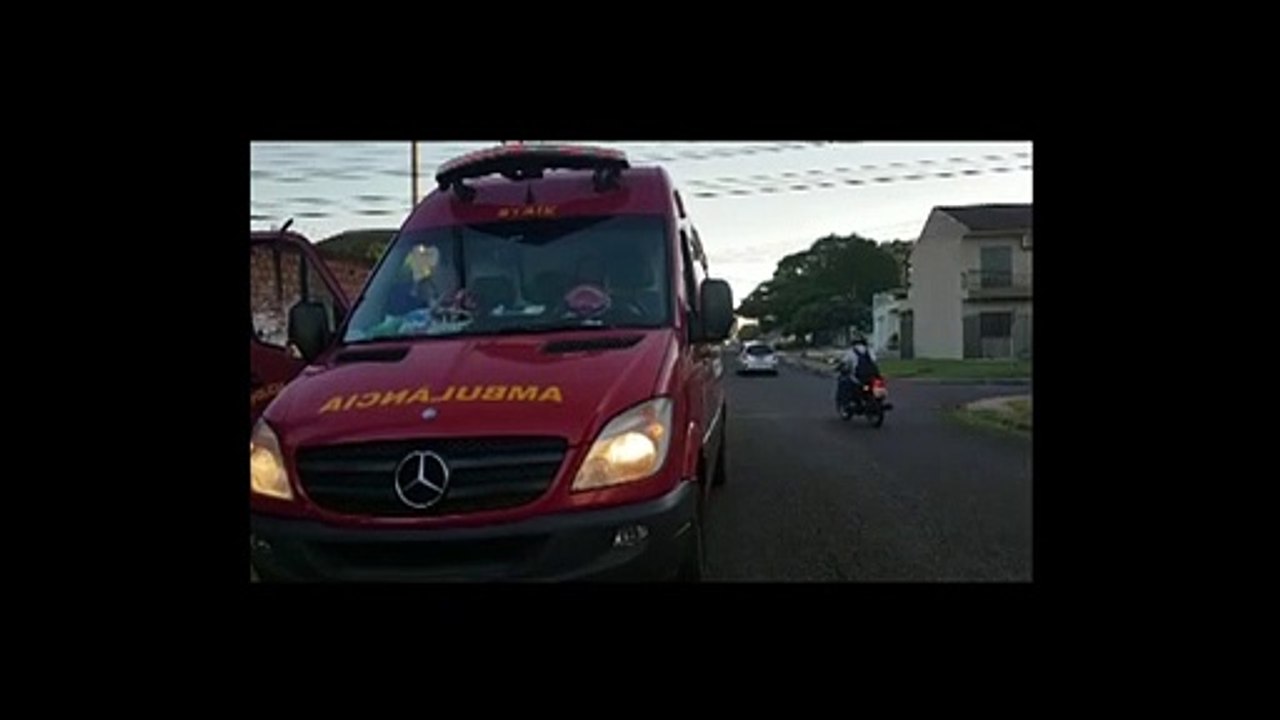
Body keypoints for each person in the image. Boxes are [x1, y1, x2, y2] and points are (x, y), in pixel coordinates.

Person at [836, 333, 881, 410]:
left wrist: (838, 367)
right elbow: (875, 361)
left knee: (844, 382)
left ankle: (846, 403)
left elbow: (844, 362)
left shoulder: (851, 352)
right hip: (873, 376)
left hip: (859, 378)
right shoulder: (870, 351)